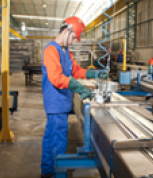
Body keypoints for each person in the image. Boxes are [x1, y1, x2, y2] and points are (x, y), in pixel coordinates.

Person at [41, 16, 107, 178]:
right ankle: (57, 173)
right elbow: (56, 78)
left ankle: (47, 171)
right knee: (58, 143)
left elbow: (76, 71)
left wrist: (93, 73)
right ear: (66, 31)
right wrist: (79, 87)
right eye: (73, 37)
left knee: (50, 139)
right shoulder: (51, 50)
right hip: (56, 104)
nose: (74, 41)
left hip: (61, 104)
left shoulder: (66, 52)